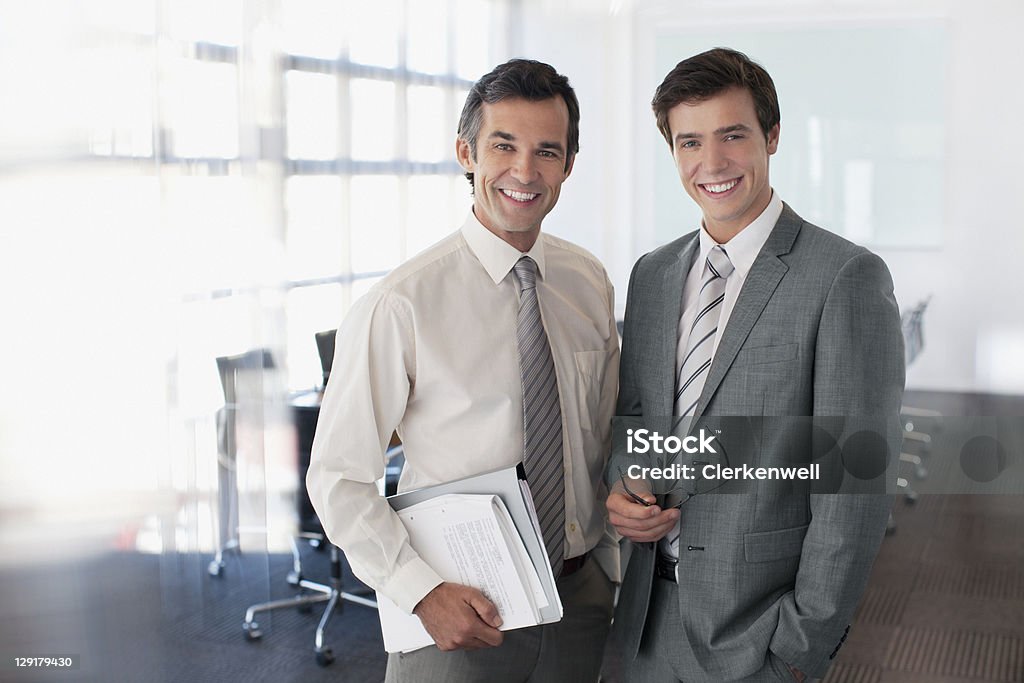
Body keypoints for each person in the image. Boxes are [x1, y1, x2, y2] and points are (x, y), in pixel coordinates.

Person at [306, 58, 620, 683]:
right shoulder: (402, 302)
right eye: (503, 145)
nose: (524, 172)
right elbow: (339, 477)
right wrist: (420, 591)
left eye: (547, 151)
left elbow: (601, 436)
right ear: (465, 152)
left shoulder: (588, 282)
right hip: (459, 608)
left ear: (569, 165)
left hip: (580, 601)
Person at [604, 48, 905, 682]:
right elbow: (636, 417)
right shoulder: (653, 275)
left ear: (771, 136)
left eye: (732, 136)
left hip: (760, 635)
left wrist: (799, 648)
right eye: (690, 142)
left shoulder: (844, 277)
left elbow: (853, 483)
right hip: (643, 622)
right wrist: (624, 483)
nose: (711, 164)